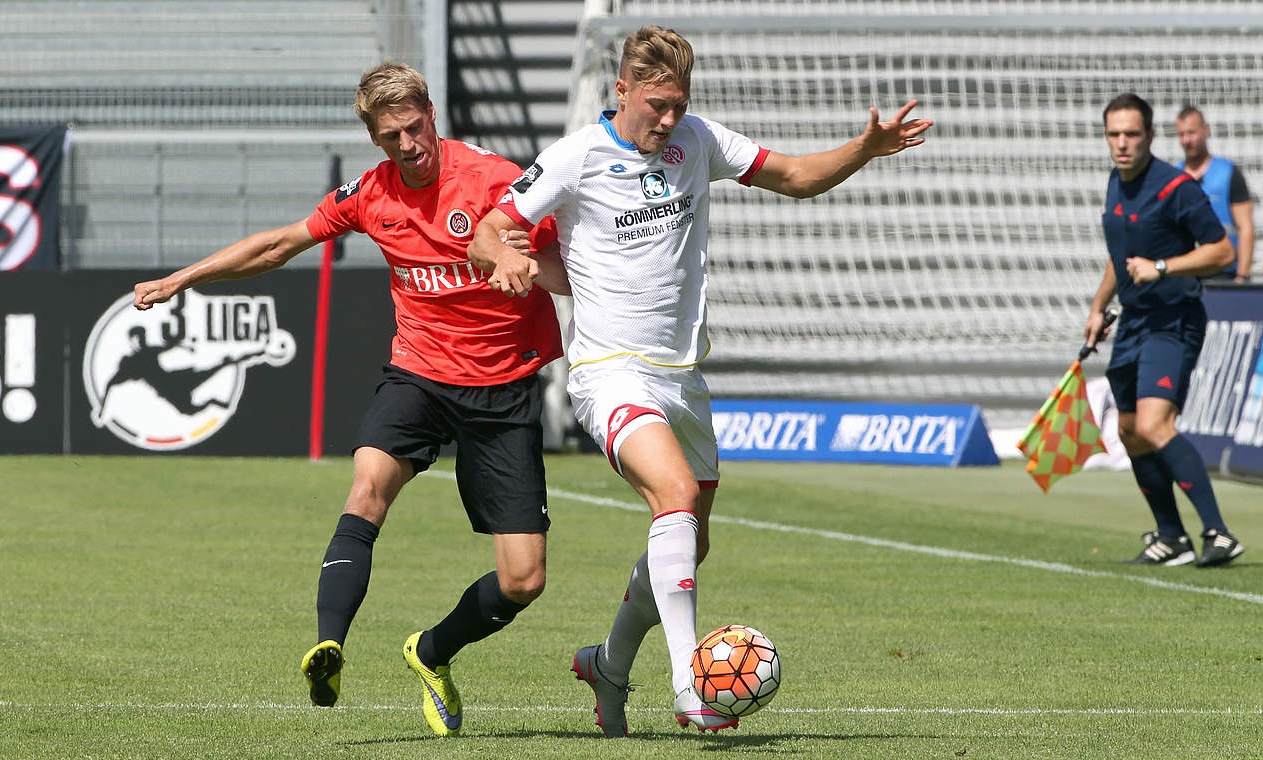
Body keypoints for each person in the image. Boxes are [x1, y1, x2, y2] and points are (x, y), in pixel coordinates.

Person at [467, 26, 932, 737]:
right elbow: (488, 230)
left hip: (683, 377)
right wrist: (503, 257)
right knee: (675, 495)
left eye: (679, 103)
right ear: (620, 90)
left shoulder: (700, 140)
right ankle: (691, 686)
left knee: (686, 539)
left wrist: (863, 149)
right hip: (609, 369)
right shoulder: (575, 157)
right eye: (656, 103)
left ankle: (609, 663)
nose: (668, 119)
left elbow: (797, 178)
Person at [132, 62, 567, 737]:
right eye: (391, 136)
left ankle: (431, 651)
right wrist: (182, 278)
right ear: (375, 139)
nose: (408, 145)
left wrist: (525, 267)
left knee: (524, 581)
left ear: (430, 111)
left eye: (415, 127)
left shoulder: (496, 181)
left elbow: (570, 271)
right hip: (418, 376)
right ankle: (328, 645)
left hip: (502, 389)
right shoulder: (370, 194)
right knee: (366, 490)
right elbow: (279, 243)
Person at [1088, 93, 1245, 568]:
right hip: (1133, 323)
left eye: (1132, 134)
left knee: (1156, 425)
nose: (1122, 143)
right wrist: (1098, 307)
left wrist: (1163, 266)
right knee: (1131, 431)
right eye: (1114, 134)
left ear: (1151, 137)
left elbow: (1222, 252)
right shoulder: (1116, 182)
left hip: (1173, 322)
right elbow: (1121, 260)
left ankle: (1218, 532)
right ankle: (1172, 537)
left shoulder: (1176, 187)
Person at [1175, 105, 1254, 283]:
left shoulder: (1227, 173)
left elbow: (1246, 227)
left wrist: (1242, 276)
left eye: (1191, 132)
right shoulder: (1173, 177)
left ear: (1206, 131)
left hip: (1223, 274)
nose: (1187, 140)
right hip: (1184, 275)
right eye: (1181, 134)